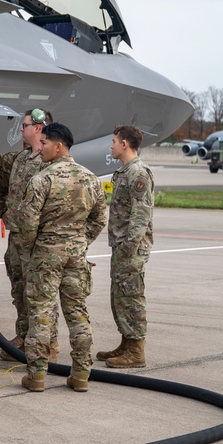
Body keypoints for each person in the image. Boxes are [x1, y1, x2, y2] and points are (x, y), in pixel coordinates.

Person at [15, 123, 107, 392]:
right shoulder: (91, 178)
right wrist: (78, 241)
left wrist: (36, 248)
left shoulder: (43, 179)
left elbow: (27, 223)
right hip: (77, 256)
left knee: (41, 315)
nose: (39, 148)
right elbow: (99, 219)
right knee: (78, 314)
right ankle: (80, 376)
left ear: (59, 146)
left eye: (44, 143)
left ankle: (37, 376)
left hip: (45, 256)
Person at [0, 109, 59, 362]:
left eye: (25, 125)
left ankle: (48, 342)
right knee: (20, 289)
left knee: (42, 292)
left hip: (40, 240)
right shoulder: (20, 159)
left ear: (38, 128)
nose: (21, 129)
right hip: (18, 239)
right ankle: (25, 335)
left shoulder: (53, 162)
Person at [97, 125, 154, 368]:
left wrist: (129, 248)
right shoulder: (123, 172)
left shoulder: (138, 173)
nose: (111, 145)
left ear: (125, 144)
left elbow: (141, 217)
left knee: (131, 297)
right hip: (122, 246)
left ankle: (137, 352)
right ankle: (127, 343)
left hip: (131, 248)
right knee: (120, 297)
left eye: (114, 141)